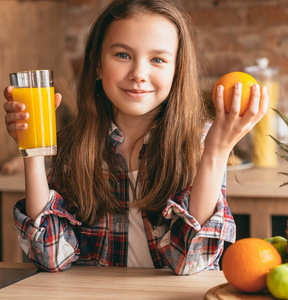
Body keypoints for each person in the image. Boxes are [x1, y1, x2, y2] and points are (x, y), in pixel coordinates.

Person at [3, 0, 268, 274]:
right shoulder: (75, 144)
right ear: (96, 63)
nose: (139, 74)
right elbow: (52, 256)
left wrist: (215, 153)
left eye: (157, 59)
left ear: (176, 71)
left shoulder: (201, 142)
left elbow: (191, 261)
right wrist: (32, 149)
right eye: (123, 55)